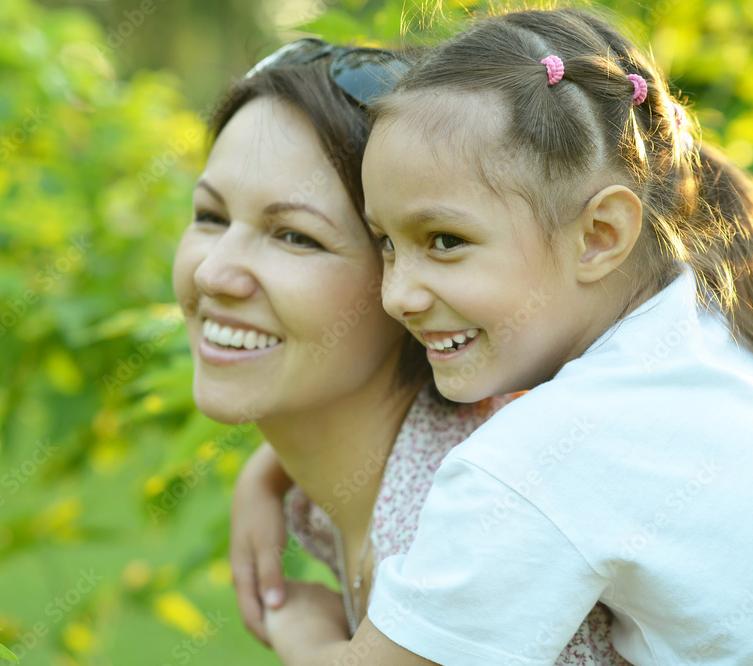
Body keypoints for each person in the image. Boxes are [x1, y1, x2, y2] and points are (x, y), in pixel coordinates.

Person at [257, 8, 753, 666]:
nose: (397, 294)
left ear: (601, 235)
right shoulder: (714, 312)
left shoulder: (534, 463)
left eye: (445, 240)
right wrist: (271, 469)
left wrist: (300, 626)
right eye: (386, 244)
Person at [175, 38, 630, 665]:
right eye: (210, 215)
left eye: (295, 236)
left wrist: (302, 637)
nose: (213, 274)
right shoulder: (344, 489)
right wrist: (269, 473)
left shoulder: (474, 527)